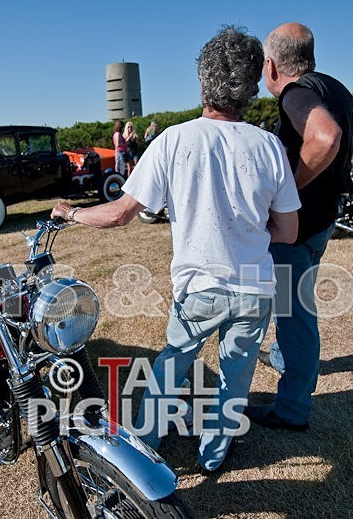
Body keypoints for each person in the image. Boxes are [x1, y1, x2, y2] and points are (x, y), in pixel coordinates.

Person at [51, 25, 300, 474]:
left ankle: (145, 447)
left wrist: (71, 214)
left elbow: (120, 213)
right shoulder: (268, 146)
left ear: (203, 81)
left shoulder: (174, 139)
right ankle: (214, 452)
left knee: (170, 368)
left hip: (199, 287)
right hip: (256, 287)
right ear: (251, 85)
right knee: (236, 376)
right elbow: (288, 229)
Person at [245, 22, 353, 432]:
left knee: (295, 320)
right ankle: (285, 361)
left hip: (298, 228)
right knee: (298, 310)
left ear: (270, 65)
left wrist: (285, 192)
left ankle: (291, 409)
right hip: (321, 221)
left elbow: (325, 138)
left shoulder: (296, 93)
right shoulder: (335, 87)